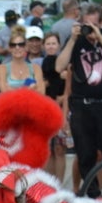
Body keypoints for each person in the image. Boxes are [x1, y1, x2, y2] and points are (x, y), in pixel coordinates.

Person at [56, 3, 102, 195]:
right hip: (82, 106)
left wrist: (101, 37)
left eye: (94, 25)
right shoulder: (76, 41)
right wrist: (72, 40)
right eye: (87, 25)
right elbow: (59, 66)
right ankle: (93, 195)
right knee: (85, 155)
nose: (91, 31)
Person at [41, 33, 69, 183]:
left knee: (59, 149)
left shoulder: (63, 62)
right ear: (44, 46)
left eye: (53, 43)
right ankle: (50, 182)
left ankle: (59, 183)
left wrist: (64, 98)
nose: (51, 46)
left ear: (59, 45)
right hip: (47, 108)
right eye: (48, 43)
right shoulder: (44, 63)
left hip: (61, 107)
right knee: (48, 149)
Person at [0, 26, 46, 94]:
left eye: (21, 44)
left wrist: (12, 90)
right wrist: (29, 90)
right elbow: (4, 92)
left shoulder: (36, 68)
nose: (17, 48)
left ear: (26, 47)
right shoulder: (2, 69)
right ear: (9, 48)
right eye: (13, 45)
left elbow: (41, 92)